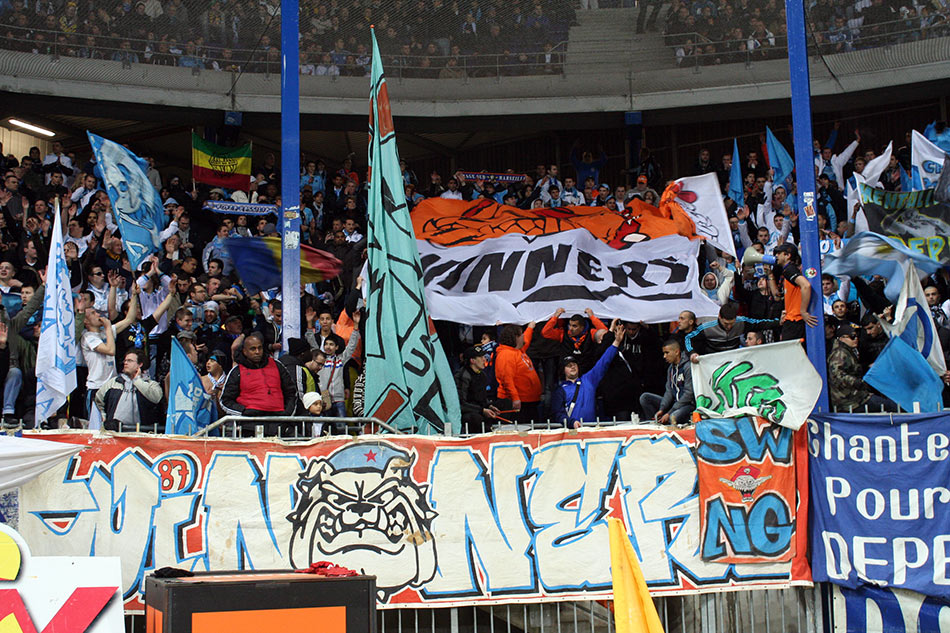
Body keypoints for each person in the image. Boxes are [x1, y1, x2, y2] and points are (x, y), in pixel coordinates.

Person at [551, 320, 624, 428]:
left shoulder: (588, 380)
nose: (572, 367)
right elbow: (557, 413)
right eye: (569, 365)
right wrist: (571, 423)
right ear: (563, 370)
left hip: (591, 431)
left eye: (574, 364)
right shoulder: (560, 390)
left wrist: (616, 342)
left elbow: (604, 361)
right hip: (573, 431)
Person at [219, 333, 297, 433]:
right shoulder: (237, 371)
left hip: (278, 423)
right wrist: (244, 411)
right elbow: (225, 400)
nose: (257, 352)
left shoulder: (277, 365)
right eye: (253, 349)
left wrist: (287, 413)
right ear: (245, 351)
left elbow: (291, 392)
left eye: (260, 348)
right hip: (249, 425)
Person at [827, 323, 897, 411]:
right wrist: (858, 382)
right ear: (841, 339)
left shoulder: (848, 351)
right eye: (852, 337)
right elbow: (837, 376)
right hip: (850, 401)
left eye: (856, 336)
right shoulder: (840, 353)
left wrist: (867, 367)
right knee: (890, 406)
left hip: (857, 396)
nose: (856, 339)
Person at [94, 349, 164, 432]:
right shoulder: (113, 382)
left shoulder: (151, 384)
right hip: (115, 431)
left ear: (140, 364)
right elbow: (98, 401)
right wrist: (104, 416)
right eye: (125, 360)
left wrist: (137, 380)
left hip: (141, 433)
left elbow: (156, 398)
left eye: (130, 361)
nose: (125, 363)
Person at [685, 303, 780, 358]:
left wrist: (779, 322)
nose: (729, 327)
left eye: (732, 323)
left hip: (733, 358)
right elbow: (688, 338)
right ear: (719, 317)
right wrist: (692, 353)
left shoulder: (741, 322)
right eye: (726, 323)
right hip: (713, 359)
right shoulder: (706, 327)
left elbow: (759, 323)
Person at [494, 322, 542, 425]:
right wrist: (515, 398)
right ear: (515, 337)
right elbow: (507, 379)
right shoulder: (506, 355)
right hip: (517, 403)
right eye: (521, 334)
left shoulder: (517, 350)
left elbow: (526, 340)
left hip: (527, 400)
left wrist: (530, 327)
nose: (523, 336)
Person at [639, 339, 694, 425]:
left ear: (677, 352)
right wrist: (662, 409)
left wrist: (669, 412)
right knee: (645, 397)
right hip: (674, 404)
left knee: (673, 416)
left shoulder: (688, 367)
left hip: (687, 405)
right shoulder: (670, 369)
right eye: (664, 353)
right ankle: (655, 422)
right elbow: (668, 391)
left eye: (667, 353)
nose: (664, 356)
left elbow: (689, 394)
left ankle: (667, 420)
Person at [81, 307, 117, 428]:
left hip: (112, 387)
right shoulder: (88, 337)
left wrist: (134, 297)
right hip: (96, 387)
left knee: (110, 425)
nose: (98, 314)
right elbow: (110, 350)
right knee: (95, 426)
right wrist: (108, 328)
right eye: (93, 313)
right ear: (86, 321)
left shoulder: (106, 332)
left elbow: (129, 319)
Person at [773, 243, 817, 341]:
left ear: (787, 255)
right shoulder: (788, 270)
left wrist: (803, 311)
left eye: (779, 253)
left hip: (795, 320)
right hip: (792, 318)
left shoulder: (790, 270)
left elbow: (806, 285)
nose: (776, 256)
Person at [456, 344, 499, 433]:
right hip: (469, 412)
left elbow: (482, 397)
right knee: (475, 418)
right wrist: (482, 410)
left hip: (480, 409)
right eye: (481, 357)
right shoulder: (463, 376)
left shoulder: (482, 375)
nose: (484, 359)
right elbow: (461, 403)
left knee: (504, 404)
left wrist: (489, 406)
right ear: (472, 360)